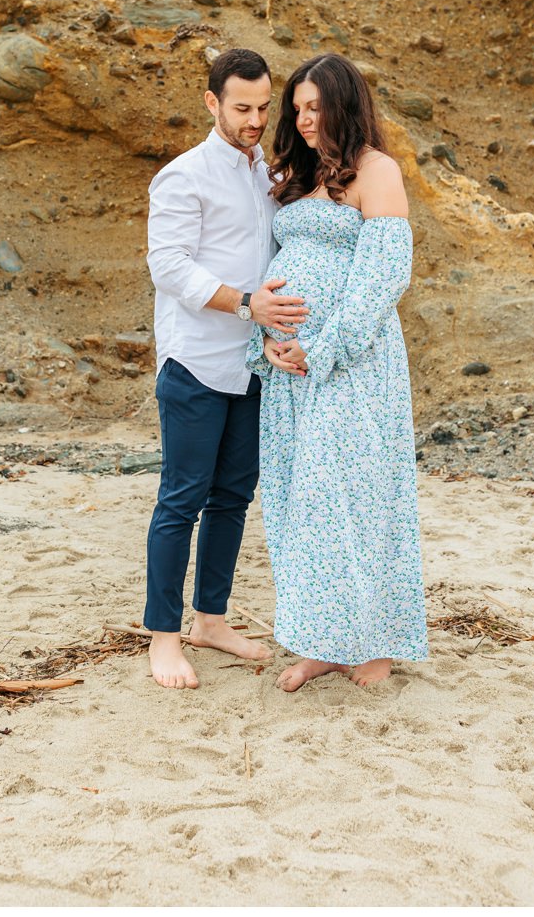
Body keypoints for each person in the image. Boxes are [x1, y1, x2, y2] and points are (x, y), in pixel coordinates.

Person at [252, 53, 429, 690]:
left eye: (315, 107)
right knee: (301, 508)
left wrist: (321, 350)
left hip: (351, 369)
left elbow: (384, 278)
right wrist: (268, 346)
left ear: (343, 104)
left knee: (354, 500)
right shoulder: (296, 175)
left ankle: (374, 647)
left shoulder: (376, 171)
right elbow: (271, 266)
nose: (302, 120)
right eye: (296, 109)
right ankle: (322, 642)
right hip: (288, 375)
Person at [142, 48, 309, 690]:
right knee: (181, 500)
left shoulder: (266, 170)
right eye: (242, 108)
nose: (255, 119)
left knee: (233, 497)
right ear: (212, 103)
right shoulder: (182, 176)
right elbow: (170, 267)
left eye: (264, 108)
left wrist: (266, 326)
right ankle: (163, 638)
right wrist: (245, 304)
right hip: (195, 361)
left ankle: (210, 619)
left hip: (251, 365)